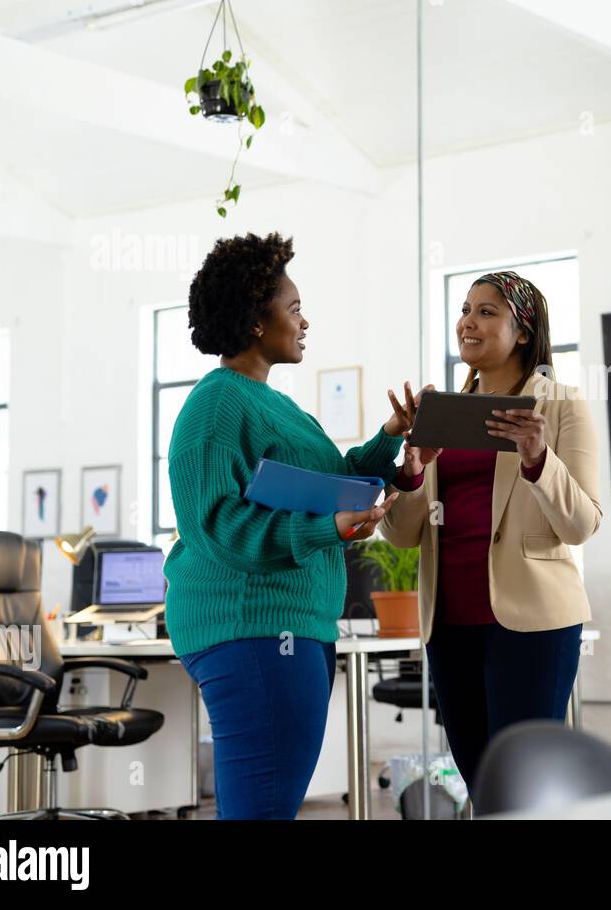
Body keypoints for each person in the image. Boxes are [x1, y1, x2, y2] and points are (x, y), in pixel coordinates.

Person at [164, 231, 421, 819]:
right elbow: (219, 527)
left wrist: (389, 438)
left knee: (265, 807)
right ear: (258, 319)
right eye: (295, 308)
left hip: (289, 627)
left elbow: (337, 481)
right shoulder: (217, 405)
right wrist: (324, 530)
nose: (305, 323)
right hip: (252, 627)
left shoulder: (276, 405)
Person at [380, 270, 602, 810]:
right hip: (450, 623)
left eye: (486, 311)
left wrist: (538, 461)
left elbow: (582, 524)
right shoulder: (440, 412)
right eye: (464, 309)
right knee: (482, 784)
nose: (468, 322)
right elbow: (401, 534)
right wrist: (409, 472)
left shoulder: (560, 405)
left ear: (523, 330)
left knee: (524, 785)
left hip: (531, 624)